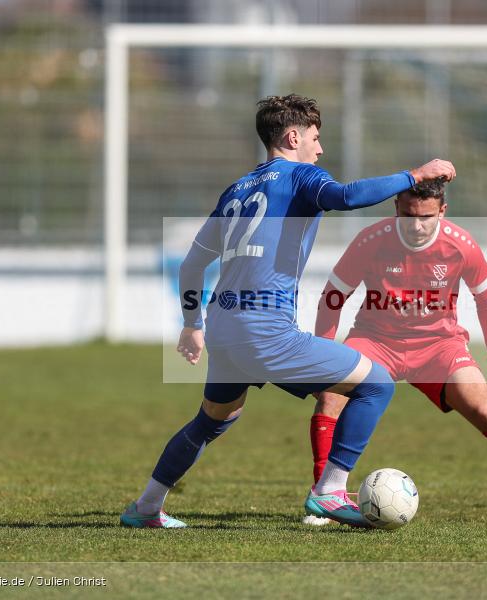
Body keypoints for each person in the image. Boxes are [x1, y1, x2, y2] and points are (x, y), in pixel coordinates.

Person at [120, 94, 456, 528]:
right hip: (265, 328)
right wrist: (415, 174)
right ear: (293, 136)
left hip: (223, 324)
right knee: (376, 383)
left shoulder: (236, 190)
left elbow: (192, 265)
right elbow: (348, 197)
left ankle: (147, 507)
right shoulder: (300, 178)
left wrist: (191, 325)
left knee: (214, 418)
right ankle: (331, 491)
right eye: (315, 139)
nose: (320, 149)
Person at [304, 179, 487, 526]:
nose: (416, 225)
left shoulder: (460, 245)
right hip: (375, 340)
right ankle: (327, 497)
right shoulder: (371, 241)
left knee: (483, 407)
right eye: (408, 216)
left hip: (438, 347)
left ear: (442, 211)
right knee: (330, 398)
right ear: (395, 208)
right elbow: (333, 295)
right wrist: (324, 357)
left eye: (426, 217)